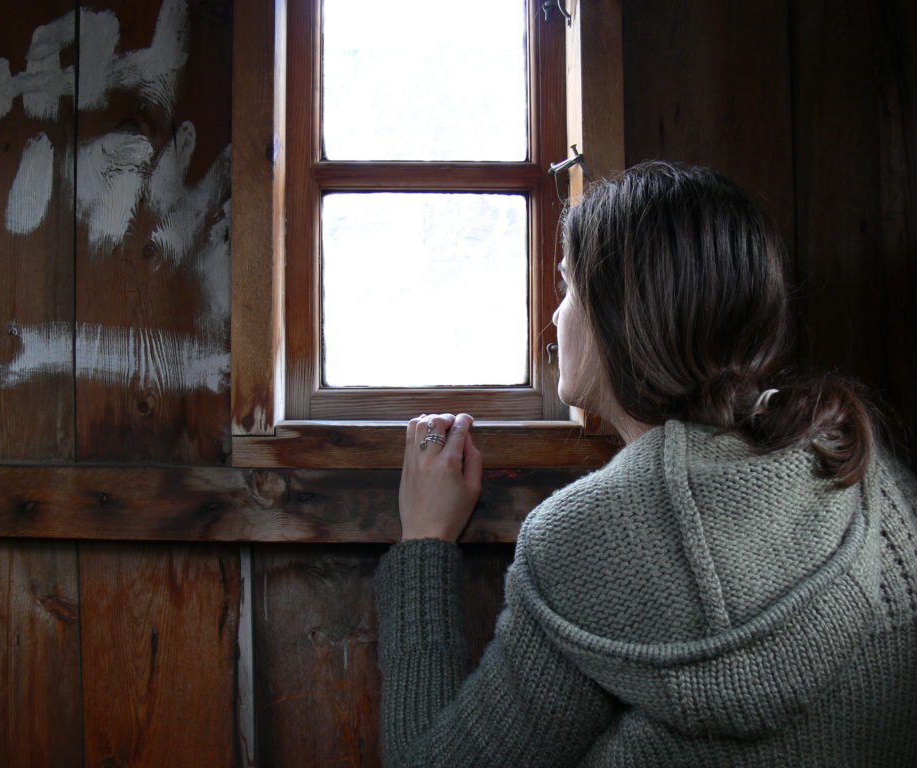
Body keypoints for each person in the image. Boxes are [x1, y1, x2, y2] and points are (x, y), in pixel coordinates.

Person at [373, 161, 917, 767]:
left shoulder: (586, 538)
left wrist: (424, 540)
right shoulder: (857, 462)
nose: (557, 316)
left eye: (570, 289)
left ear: (616, 316)